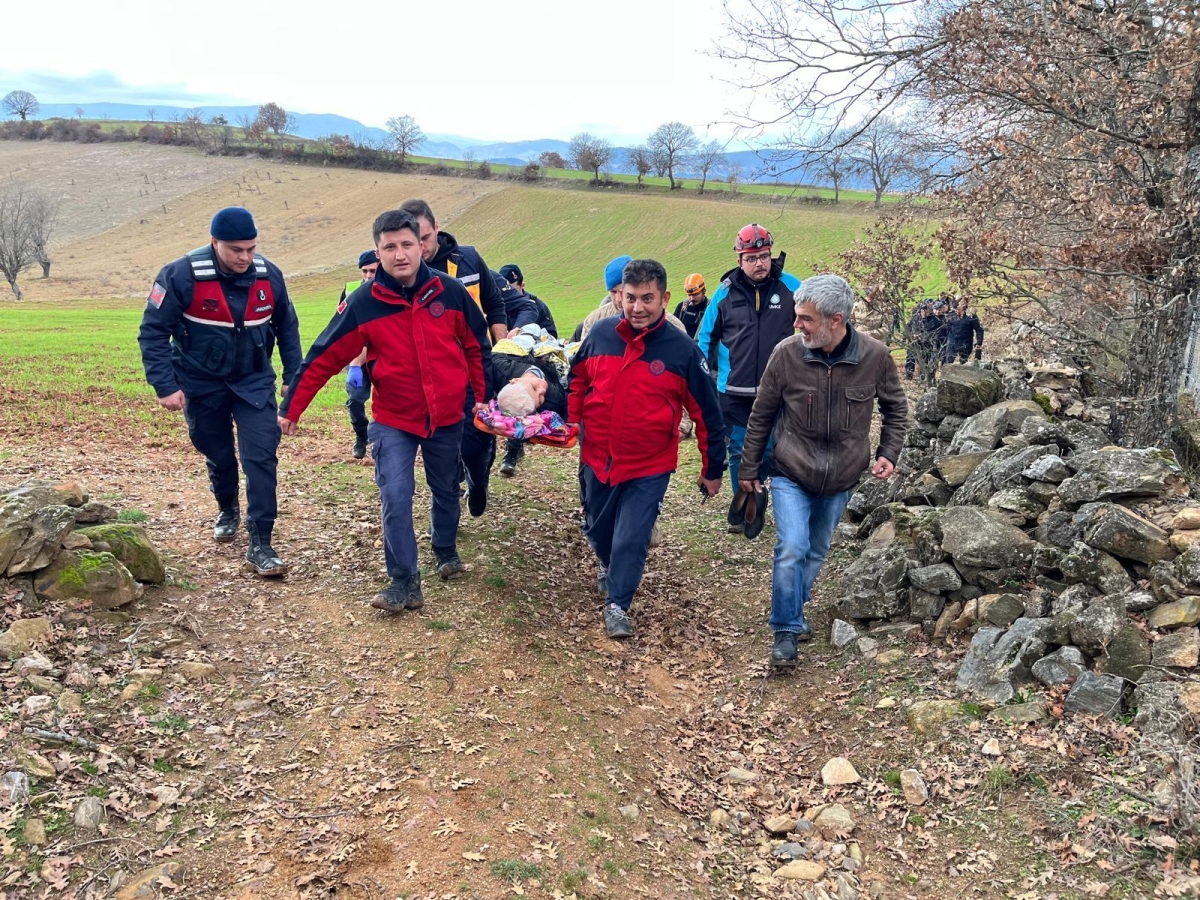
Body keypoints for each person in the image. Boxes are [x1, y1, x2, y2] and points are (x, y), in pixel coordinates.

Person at [278, 209, 491, 612]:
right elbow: (324, 355)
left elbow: (476, 345)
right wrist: (292, 407)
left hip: (447, 416)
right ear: (378, 252)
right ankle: (404, 581)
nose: (399, 254)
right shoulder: (363, 303)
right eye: (389, 247)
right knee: (395, 494)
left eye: (407, 244)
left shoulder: (449, 292)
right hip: (395, 419)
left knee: (446, 488)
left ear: (421, 246)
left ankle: (444, 547)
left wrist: (482, 395)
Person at [738, 275, 907, 668]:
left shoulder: (876, 357)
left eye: (805, 319)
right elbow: (761, 414)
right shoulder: (786, 354)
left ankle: (794, 612)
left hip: (843, 476)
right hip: (790, 468)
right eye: (797, 317)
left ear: (836, 319)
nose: (796, 325)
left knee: (815, 550)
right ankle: (785, 629)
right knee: (792, 547)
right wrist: (749, 467)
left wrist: (888, 452)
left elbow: (896, 409)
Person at [138, 207, 300, 577]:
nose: (245, 257)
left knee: (260, 457)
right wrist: (165, 385)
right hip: (201, 382)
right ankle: (227, 507)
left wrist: (294, 375)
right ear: (215, 243)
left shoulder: (269, 276)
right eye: (235, 250)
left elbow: (288, 327)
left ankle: (261, 542)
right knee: (218, 451)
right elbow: (152, 333)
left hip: (253, 380)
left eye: (251, 249)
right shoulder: (180, 276)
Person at [569, 258, 726, 639]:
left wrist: (713, 467)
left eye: (648, 299)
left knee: (632, 535)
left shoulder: (682, 351)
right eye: (631, 298)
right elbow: (576, 380)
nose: (638, 308)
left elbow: (706, 412)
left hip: (649, 463)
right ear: (620, 296)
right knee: (597, 527)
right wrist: (571, 424)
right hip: (597, 456)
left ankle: (618, 604)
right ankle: (609, 566)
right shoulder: (601, 334)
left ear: (665, 298)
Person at [399, 199, 502, 518]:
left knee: (478, 440)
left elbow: (495, 304)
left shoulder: (468, 260)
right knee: (444, 446)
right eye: (413, 240)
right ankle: (448, 505)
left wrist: (501, 350)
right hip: (432, 376)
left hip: (475, 367)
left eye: (425, 237)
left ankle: (479, 478)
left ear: (436, 230)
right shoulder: (403, 276)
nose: (420, 246)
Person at [696, 224, 800, 535]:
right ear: (740, 259)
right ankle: (744, 498)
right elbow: (705, 339)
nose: (760, 263)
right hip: (733, 390)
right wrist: (704, 381)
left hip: (778, 389)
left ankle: (757, 493)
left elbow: (815, 327)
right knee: (739, 449)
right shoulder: (724, 292)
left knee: (768, 448)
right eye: (752, 258)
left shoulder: (792, 287)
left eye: (765, 256)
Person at [339, 250, 378, 459]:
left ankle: (385, 443)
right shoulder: (351, 292)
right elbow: (342, 329)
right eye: (365, 271)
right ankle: (361, 436)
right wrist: (353, 364)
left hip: (382, 357)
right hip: (357, 359)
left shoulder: (393, 290)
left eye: (373, 270)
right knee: (354, 400)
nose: (368, 276)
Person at [500, 264, 557, 337]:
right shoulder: (495, 305)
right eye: (505, 290)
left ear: (522, 286)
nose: (509, 293)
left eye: (513, 290)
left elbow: (551, 335)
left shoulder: (538, 306)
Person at [946, 296, 985, 363]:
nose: (957, 311)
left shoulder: (971, 316)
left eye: (958, 309)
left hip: (966, 343)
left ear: (963, 309)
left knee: (963, 362)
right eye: (956, 309)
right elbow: (946, 328)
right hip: (953, 342)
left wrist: (979, 342)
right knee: (949, 361)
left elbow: (978, 329)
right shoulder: (951, 315)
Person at [673, 273, 708, 339]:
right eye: (689, 295)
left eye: (695, 294)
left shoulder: (711, 308)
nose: (692, 298)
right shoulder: (681, 309)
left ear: (704, 291)